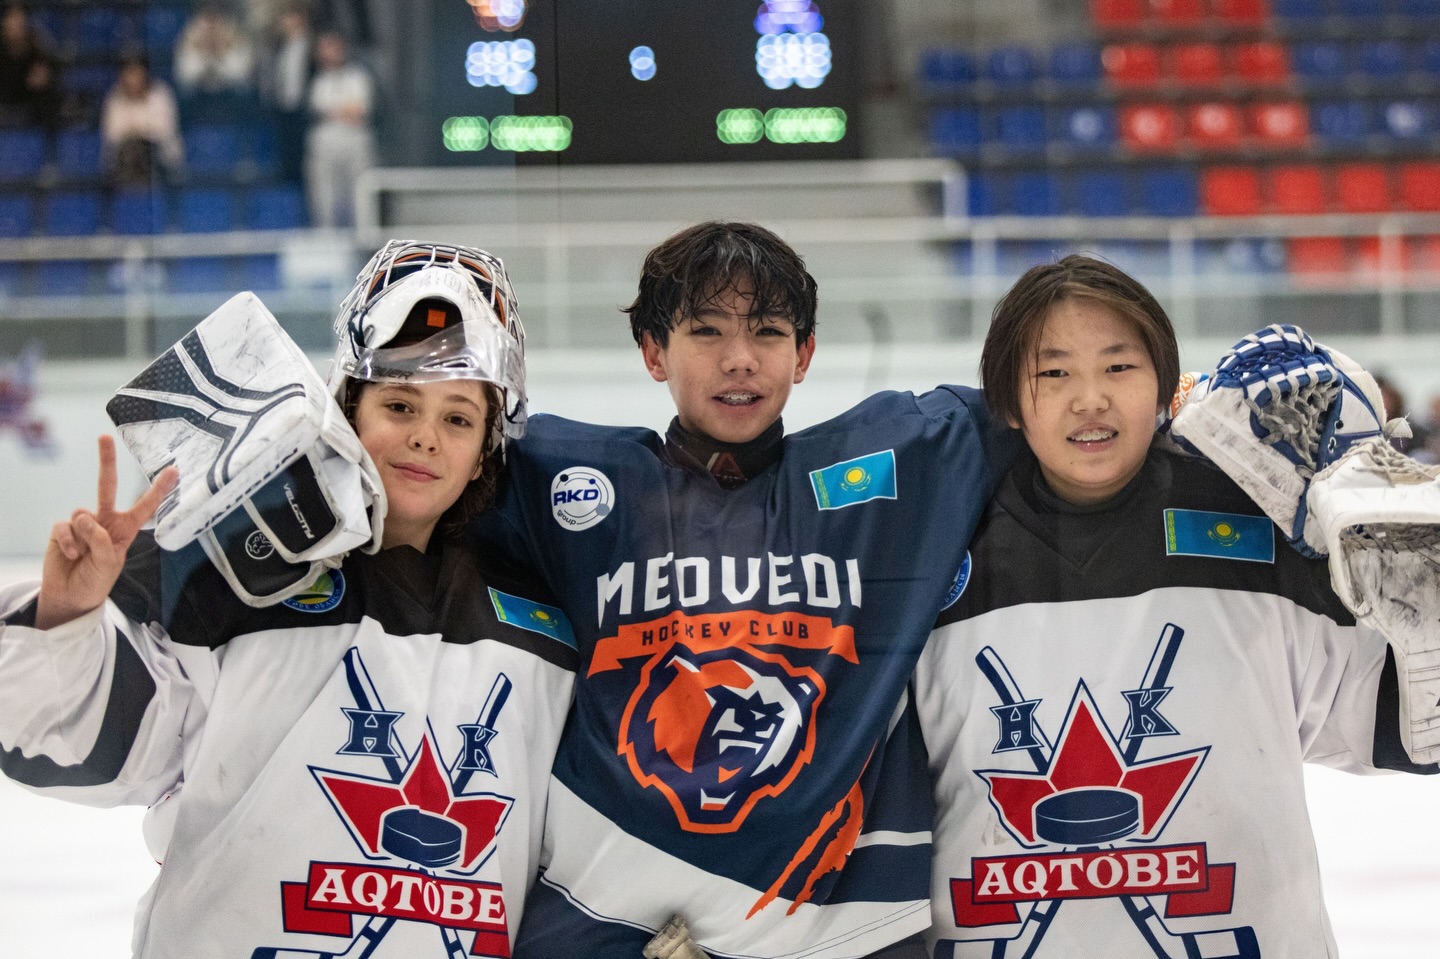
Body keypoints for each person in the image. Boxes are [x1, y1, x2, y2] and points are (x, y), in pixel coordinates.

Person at [0, 241, 577, 957]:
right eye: (398, 402)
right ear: (347, 406)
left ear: (489, 445)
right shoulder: (225, 578)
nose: (425, 435)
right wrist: (67, 615)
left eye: (458, 418)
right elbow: (63, 746)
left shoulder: (545, 630)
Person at [473, 221, 1018, 958]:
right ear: (653, 352)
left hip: (838, 931)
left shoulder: (895, 468)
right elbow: (408, 469)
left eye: (767, 331)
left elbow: (1065, 405)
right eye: (706, 331)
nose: (739, 359)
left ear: (805, 355)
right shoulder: (562, 480)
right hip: (597, 918)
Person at [913, 255, 1434, 958]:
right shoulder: (931, 551)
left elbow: (1408, 729)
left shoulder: (1258, 530)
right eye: (1054, 372)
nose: (1089, 398)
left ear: (1166, 386)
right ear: (1007, 400)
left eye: (1119, 367)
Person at [305, 29, 372, 228]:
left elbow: (360, 111)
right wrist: (344, 110)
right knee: (324, 195)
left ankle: (363, 240)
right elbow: (317, 109)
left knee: (359, 193)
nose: (329, 52)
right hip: (325, 143)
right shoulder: (317, 80)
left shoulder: (358, 77)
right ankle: (327, 237)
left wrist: (335, 110)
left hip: (355, 141)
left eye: (332, 47)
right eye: (324, 48)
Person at [100, 54, 183, 186]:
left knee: (143, 149)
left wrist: (135, 130)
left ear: (145, 74)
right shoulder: (114, 97)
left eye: (137, 73)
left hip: (161, 158)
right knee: (129, 150)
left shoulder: (161, 94)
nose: (133, 79)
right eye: (128, 73)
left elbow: (163, 130)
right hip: (124, 158)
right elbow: (113, 134)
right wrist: (140, 130)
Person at [173, 2, 256, 122]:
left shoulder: (233, 33)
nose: (212, 28)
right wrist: (202, 52)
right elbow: (184, 74)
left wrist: (222, 51)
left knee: (243, 91)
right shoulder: (190, 35)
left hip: (229, 87)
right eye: (208, 20)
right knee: (186, 92)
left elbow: (242, 73)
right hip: (198, 89)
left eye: (215, 20)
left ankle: (242, 132)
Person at [0, 2, 58, 130]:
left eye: (20, 19)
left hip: (31, 111)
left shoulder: (37, 48)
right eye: (11, 19)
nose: (16, 24)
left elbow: (51, 77)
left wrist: (45, 80)